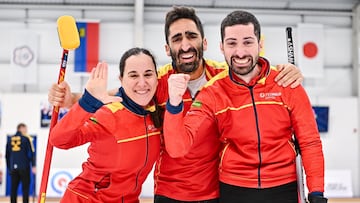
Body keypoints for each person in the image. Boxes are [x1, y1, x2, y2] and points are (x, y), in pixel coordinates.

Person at [48, 7, 304, 203]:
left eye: (191, 36)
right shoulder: (157, 80)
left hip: (214, 192)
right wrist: (73, 100)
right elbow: (126, 93)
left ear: (204, 43)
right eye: (177, 38)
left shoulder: (223, 78)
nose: (185, 45)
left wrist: (285, 71)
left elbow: (253, 72)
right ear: (168, 48)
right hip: (169, 194)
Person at [164, 10, 327, 203]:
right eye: (232, 43)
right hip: (235, 189)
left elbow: (309, 142)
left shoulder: (286, 83)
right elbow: (177, 148)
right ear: (222, 47)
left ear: (260, 45)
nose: (240, 52)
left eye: (248, 42)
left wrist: (316, 191)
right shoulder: (212, 92)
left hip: (284, 187)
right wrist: (174, 104)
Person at [49, 48, 162, 203]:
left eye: (148, 74)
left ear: (157, 77)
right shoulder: (109, 114)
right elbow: (59, 139)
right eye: (133, 75)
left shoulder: (158, 110)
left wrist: (73, 99)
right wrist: (86, 102)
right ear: (121, 80)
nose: (142, 82)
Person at [6, 123, 36, 203]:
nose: (26, 131)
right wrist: (33, 165)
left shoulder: (10, 139)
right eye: (25, 129)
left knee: (13, 188)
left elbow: (7, 155)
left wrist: (9, 167)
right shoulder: (26, 139)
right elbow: (31, 153)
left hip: (13, 168)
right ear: (21, 128)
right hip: (24, 167)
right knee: (25, 188)